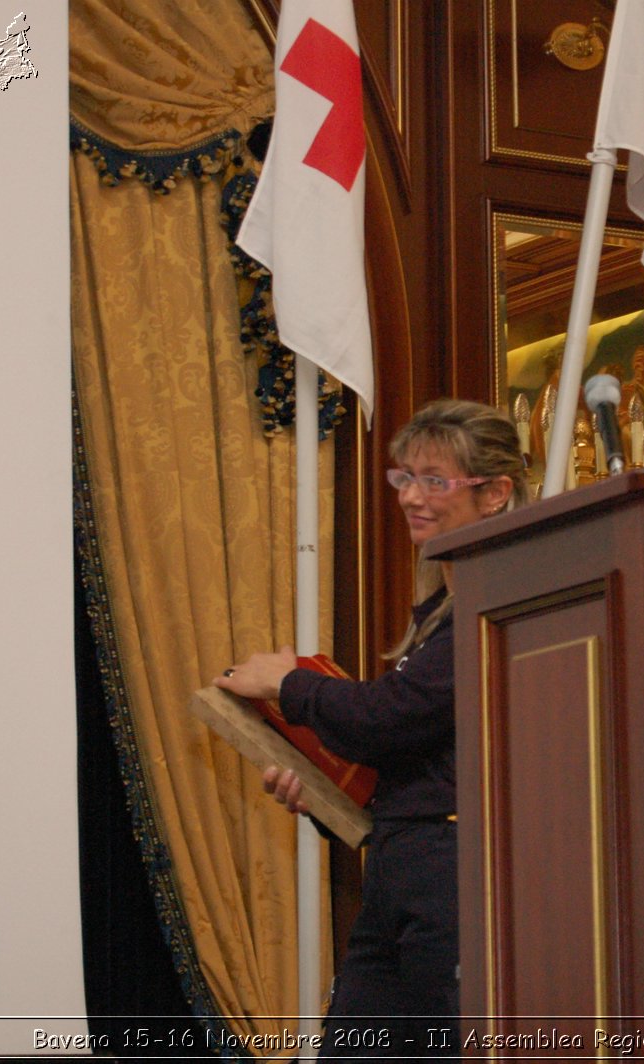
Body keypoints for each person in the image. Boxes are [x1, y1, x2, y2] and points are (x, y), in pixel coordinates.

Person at [214, 398, 526, 1060]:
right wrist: (323, 795)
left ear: (496, 492)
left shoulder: (501, 598)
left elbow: (389, 718)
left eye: (433, 481)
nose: (410, 497)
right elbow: (411, 757)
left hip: (455, 885)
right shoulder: (445, 603)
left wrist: (288, 685)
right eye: (403, 478)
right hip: (402, 876)